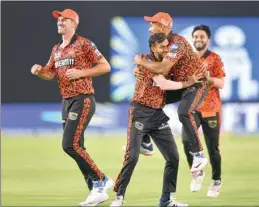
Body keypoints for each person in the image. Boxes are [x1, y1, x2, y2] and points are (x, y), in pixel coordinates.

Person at [30, 9, 113, 206]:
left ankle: (101, 180)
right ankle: (96, 191)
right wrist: (39, 71)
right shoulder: (56, 49)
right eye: (58, 20)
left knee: (69, 145)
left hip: (82, 99)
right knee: (78, 147)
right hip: (66, 102)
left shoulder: (84, 43)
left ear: (74, 23)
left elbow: (105, 66)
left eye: (64, 19)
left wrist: (81, 72)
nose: (59, 22)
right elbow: (50, 74)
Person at [110, 33, 201, 207]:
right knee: (132, 156)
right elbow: (163, 84)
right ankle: (118, 198)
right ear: (153, 47)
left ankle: (167, 200)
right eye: (162, 47)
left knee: (173, 157)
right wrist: (187, 83)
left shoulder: (165, 64)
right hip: (140, 113)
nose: (166, 49)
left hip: (157, 115)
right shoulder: (145, 61)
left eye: (167, 46)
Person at [134, 12, 209, 173]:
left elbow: (162, 68)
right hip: (182, 84)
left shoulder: (177, 44)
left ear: (162, 26)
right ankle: (146, 141)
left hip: (197, 83)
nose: (149, 28)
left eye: (152, 24)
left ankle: (198, 154)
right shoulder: (164, 43)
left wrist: (140, 62)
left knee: (183, 112)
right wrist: (138, 68)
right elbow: (154, 64)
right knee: (150, 99)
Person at [187, 25, 225, 197]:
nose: (198, 39)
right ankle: (196, 173)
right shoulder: (187, 58)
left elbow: (221, 83)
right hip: (192, 107)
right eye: (196, 36)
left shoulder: (215, 58)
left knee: (212, 149)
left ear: (208, 40)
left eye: (202, 37)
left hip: (211, 108)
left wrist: (207, 78)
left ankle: (216, 181)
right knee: (188, 141)